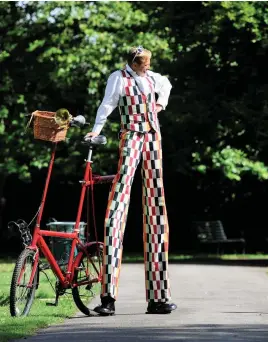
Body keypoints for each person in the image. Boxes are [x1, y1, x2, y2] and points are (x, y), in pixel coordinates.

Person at [85, 45, 177, 315]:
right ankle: (108, 298)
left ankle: (158, 297)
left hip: (153, 139)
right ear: (133, 63)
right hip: (131, 138)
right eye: (143, 63)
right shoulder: (119, 78)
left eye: (148, 63)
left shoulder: (152, 78)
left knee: (156, 209)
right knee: (117, 205)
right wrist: (96, 130)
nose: (147, 67)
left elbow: (167, 85)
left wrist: (161, 104)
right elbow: (108, 104)